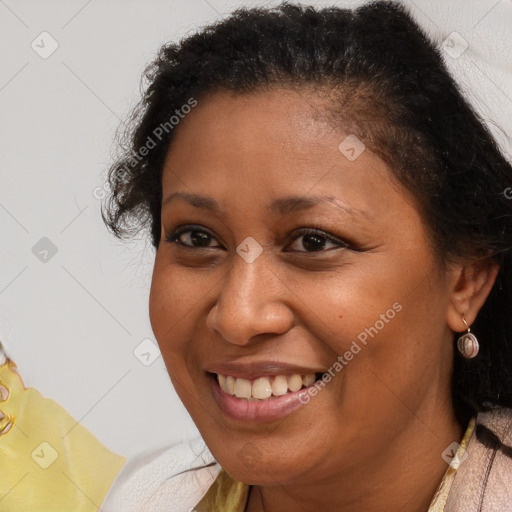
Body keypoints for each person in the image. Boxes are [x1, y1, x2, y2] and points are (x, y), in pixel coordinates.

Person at [100, 1, 512, 510]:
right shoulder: (147, 497)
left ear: (466, 280)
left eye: (314, 242)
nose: (239, 316)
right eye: (196, 238)